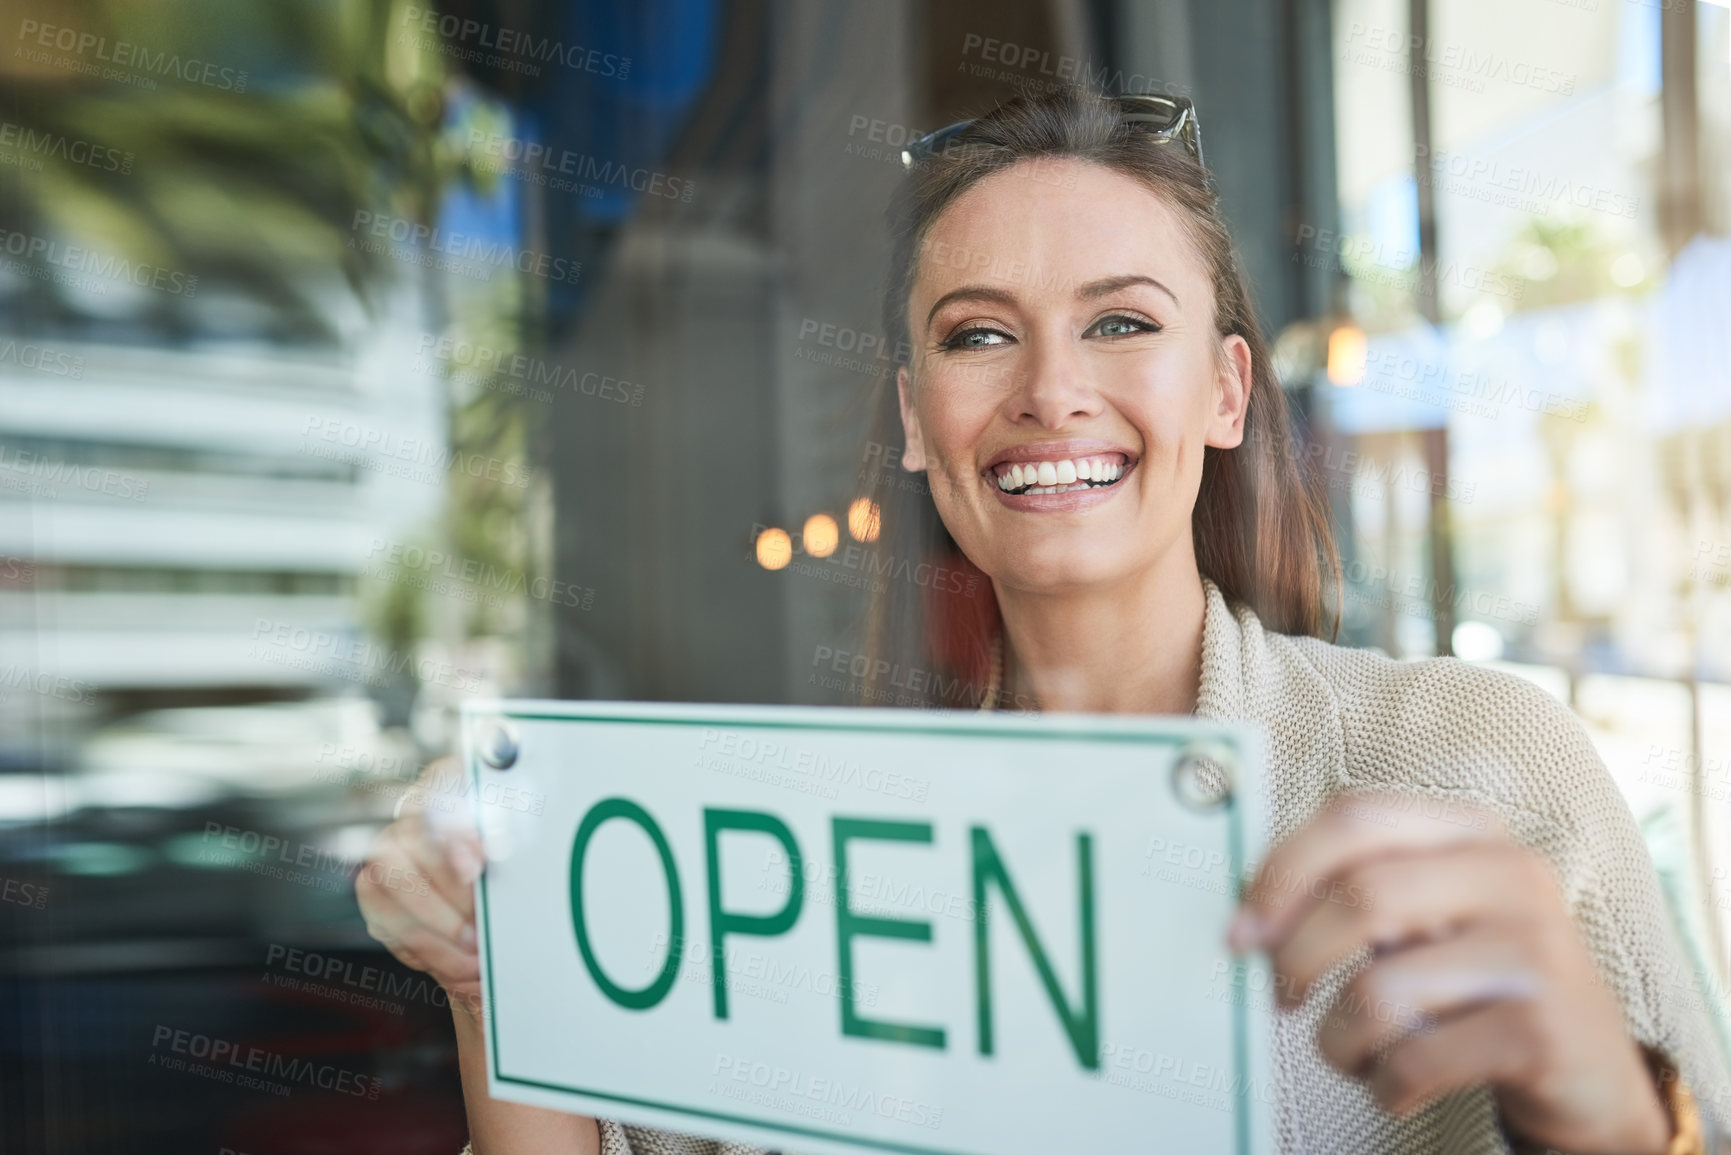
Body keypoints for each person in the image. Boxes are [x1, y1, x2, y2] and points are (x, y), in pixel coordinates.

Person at [357, 87, 1728, 1154]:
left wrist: (1608, 1112)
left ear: (1228, 393)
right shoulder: (802, 860)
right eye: (976, 334)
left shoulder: (1479, 758)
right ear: (914, 419)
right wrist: (499, 969)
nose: (1051, 390)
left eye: (1123, 323)